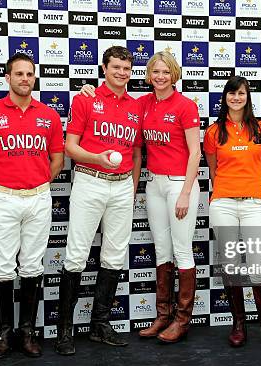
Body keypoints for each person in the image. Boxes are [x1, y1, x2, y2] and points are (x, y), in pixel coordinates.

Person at [78, 51, 201, 343]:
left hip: (179, 185)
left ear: (174, 74)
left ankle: (182, 320)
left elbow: (195, 152)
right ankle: (163, 315)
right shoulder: (142, 104)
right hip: (154, 184)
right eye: (155, 72)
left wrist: (185, 192)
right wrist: (88, 89)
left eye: (166, 72)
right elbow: (109, 104)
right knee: (162, 250)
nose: (160, 77)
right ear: (148, 75)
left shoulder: (185, 105)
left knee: (182, 250)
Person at [0, 53, 65, 360]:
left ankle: (26, 331)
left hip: (39, 197)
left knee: (32, 265)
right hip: (4, 197)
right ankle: (3, 333)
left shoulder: (49, 115)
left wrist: (38, 182)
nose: (25, 78)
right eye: (19, 74)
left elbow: (57, 160)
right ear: (7, 78)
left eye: (30, 74)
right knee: (1, 266)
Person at [56, 46, 143, 355]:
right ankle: (64, 330)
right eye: (116, 67)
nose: (121, 72)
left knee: (114, 256)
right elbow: (70, 147)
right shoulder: (85, 99)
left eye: (126, 68)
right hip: (90, 181)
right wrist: (97, 158)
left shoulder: (136, 107)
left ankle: (99, 325)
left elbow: (135, 154)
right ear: (104, 68)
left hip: (121, 187)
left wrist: (131, 189)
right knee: (76, 255)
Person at [204, 76, 261, 348]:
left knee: (258, 263)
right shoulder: (214, 131)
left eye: (241, 93)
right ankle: (238, 323)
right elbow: (213, 170)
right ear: (225, 96)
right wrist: (228, 190)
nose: (236, 98)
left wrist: (252, 191)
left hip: (253, 203)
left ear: (247, 97)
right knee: (230, 265)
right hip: (223, 202)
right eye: (231, 93)